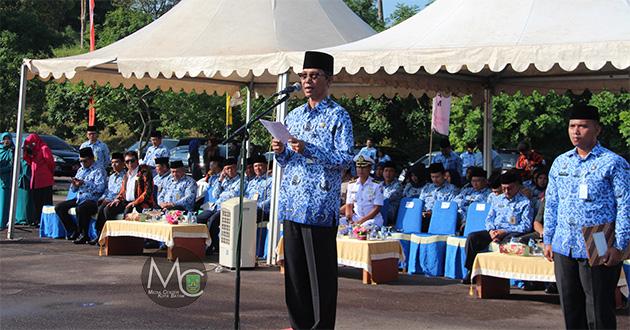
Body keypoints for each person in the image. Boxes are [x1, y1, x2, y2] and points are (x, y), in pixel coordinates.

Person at [271, 51, 353, 329]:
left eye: (314, 75)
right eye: (304, 76)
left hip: (319, 208)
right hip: (292, 205)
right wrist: (280, 152)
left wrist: (309, 149)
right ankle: (299, 325)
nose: (307, 81)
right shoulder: (293, 116)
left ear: (328, 80)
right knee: (294, 275)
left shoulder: (339, 116)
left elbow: (344, 160)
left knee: (321, 278)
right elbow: (288, 162)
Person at [543, 105, 629, 329]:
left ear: (597, 129)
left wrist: (619, 246)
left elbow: (625, 205)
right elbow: (551, 203)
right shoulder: (561, 162)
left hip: (598, 243)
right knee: (571, 309)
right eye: (572, 126)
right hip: (564, 244)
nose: (576, 131)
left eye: (583, 126)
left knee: (598, 311)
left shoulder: (613, 163)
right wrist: (548, 239)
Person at [462, 171, 533, 284]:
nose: (506, 192)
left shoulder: (525, 202)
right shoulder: (497, 199)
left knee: (509, 243)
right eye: (504, 188)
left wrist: (504, 231)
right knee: (472, 238)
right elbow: (489, 218)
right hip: (494, 231)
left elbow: (526, 226)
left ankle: (502, 277)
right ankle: (471, 270)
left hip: (510, 232)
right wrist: (491, 231)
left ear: (517, 186)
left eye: (509, 188)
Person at [55, 147, 106, 244]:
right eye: (81, 161)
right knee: (60, 207)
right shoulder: (80, 170)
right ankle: (73, 230)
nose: (83, 163)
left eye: (85, 161)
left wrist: (84, 183)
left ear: (91, 159)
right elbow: (73, 189)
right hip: (79, 197)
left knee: (81, 209)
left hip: (93, 199)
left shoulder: (99, 170)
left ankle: (84, 234)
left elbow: (100, 188)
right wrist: (74, 184)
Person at [100, 152, 155, 236]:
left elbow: (148, 192)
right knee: (108, 209)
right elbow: (122, 191)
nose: (130, 164)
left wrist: (135, 202)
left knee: (128, 211)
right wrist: (118, 199)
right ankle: (112, 236)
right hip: (127, 201)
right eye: (127, 162)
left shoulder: (144, 173)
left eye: (132, 161)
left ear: (137, 161)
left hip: (141, 203)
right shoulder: (126, 175)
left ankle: (126, 239)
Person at [196, 157, 241, 254]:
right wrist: (220, 180)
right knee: (199, 218)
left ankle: (213, 246)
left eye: (232, 168)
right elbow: (215, 194)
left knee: (212, 221)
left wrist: (222, 194)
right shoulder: (222, 180)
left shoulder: (241, 181)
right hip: (216, 207)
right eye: (227, 168)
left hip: (229, 208)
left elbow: (234, 195)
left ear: (236, 168)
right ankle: (200, 245)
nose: (230, 171)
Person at [341, 155, 384, 228]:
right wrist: (349, 220)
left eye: (364, 167)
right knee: (339, 224)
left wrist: (360, 222)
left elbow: (377, 208)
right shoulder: (351, 184)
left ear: (370, 169)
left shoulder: (377, 185)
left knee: (363, 228)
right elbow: (349, 205)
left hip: (372, 219)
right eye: (358, 167)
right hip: (356, 218)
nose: (360, 170)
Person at [23, 133, 55, 226]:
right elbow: (28, 161)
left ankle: (47, 221)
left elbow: (51, 163)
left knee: (46, 202)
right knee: (36, 201)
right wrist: (27, 152)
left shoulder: (44, 148)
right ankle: (37, 219)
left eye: (32, 143)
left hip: (45, 180)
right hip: (36, 180)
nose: (31, 145)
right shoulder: (33, 151)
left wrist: (49, 173)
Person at [93, 152, 126, 240]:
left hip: (119, 200)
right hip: (108, 199)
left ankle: (107, 235)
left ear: (123, 164)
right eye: (112, 163)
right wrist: (103, 198)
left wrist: (111, 200)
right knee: (97, 205)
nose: (114, 165)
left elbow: (122, 192)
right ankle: (99, 234)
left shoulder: (126, 176)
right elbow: (107, 190)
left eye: (117, 162)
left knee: (105, 209)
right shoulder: (111, 177)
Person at [419, 163, 459, 231]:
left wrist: (433, 213)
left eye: (437, 177)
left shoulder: (452, 189)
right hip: (424, 217)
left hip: (441, 219)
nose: (435, 179)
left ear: (444, 176)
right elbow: (420, 203)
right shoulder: (427, 188)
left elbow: (451, 209)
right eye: (432, 177)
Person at [453, 167, 490, 232]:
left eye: (478, 181)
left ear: (485, 181)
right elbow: (455, 202)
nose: (475, 184)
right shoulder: (467, 191)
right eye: (473, 181)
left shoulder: (489, 194)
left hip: (477, 220)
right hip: (461, 219)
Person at [245, 155, 272, 223]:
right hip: (249, 208)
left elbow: (271, 200)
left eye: (260, 165)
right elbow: (246, 196)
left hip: (263, 211)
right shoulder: (251, 182)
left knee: (246, 217)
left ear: (266, 166)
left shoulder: (271, 180)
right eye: (255, 166)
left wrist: (255, 206)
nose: (257, 168)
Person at [0, 133, 15, 230]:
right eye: (4, 139)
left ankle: (2, 223)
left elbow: (12, 165)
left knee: (4, 202)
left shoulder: (12, 151)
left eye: (8, 139)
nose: (6, 141)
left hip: (6, 180)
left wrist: (2, 170)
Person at [381, 161, 402, 226]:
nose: (388, 173)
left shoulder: (398, 185)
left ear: (395, 173)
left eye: (391, 171)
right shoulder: (379, 185)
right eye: (386, 171)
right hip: (379, 211)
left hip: (390, 215)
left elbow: (387, 198)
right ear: (383, 172)